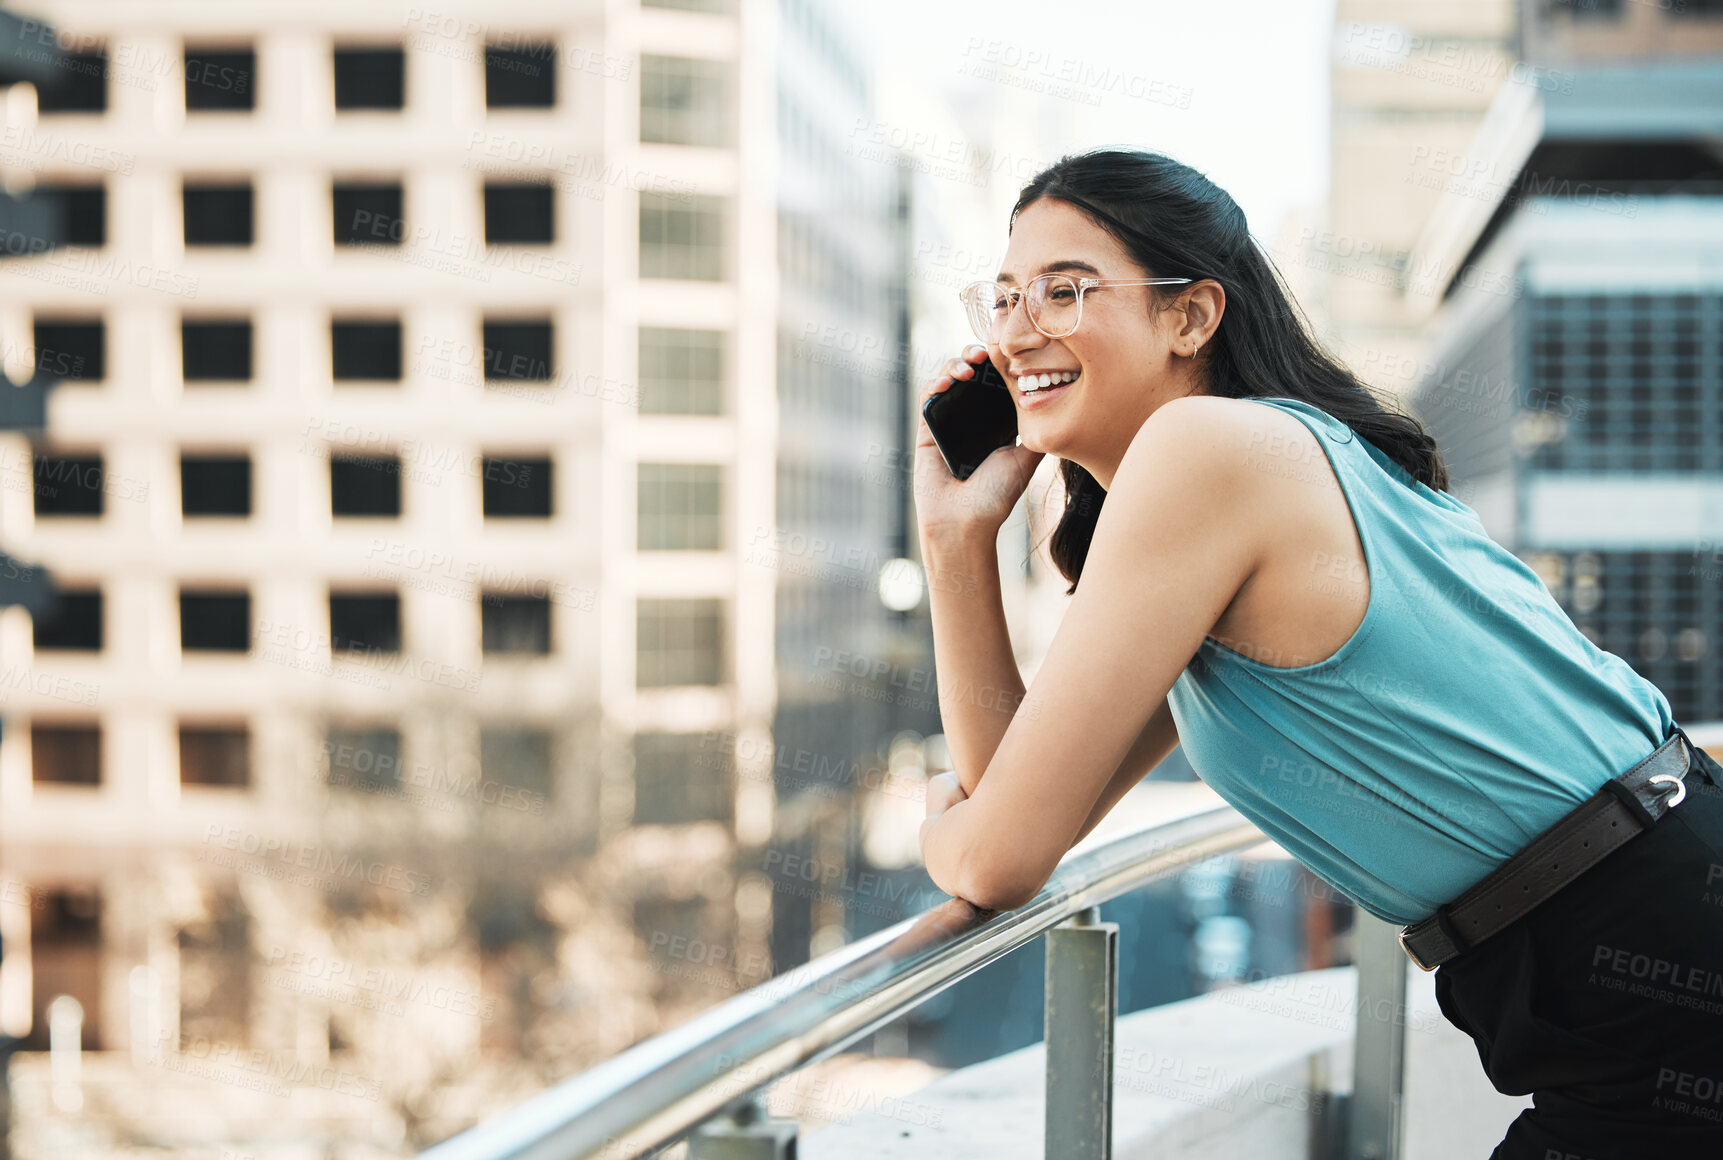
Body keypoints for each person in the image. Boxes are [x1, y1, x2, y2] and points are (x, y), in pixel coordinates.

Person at [912, 146, 1723, 1159]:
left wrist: (936, 833)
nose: (1015, 331)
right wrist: (955, 543)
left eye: (1064, 289)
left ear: (1191, 316)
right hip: (1625, 928)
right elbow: (1025, 798)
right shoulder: (1245, 471)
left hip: (1645, 940)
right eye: (1004, 296)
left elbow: (992, 849)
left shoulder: (1204, 453)